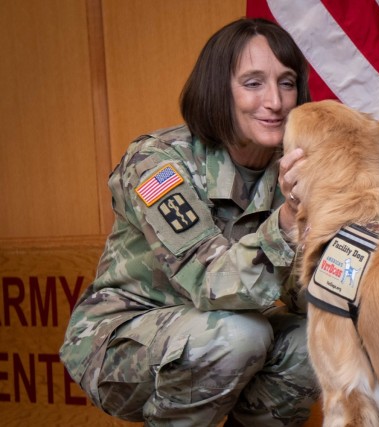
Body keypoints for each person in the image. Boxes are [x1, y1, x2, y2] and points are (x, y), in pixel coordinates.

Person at [60, 17, 319, 426]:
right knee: (238, 335)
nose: (275, 101)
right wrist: (289, 219)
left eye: (286, 83)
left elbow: (308, 299)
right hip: (122, 342)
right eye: (253, 83)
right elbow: (211, 284)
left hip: (225, 334)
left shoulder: (293, 168)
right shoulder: (159, 163)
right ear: (219, 90)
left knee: (321, 340)